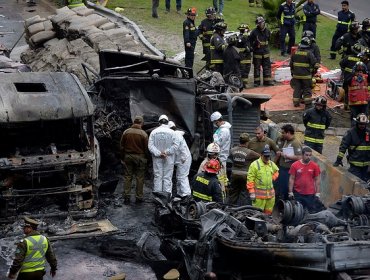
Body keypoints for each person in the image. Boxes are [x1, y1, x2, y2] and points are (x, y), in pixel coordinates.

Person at [148, 115, 180, 196]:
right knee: (167, 177)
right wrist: (166, 152)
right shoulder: (173, 133)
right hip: (169, 158)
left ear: (159, 122)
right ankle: (167, 197)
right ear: (167, 122)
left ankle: (158, 197)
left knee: (158, 176)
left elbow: (150, 146)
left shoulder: (153, 132)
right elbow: (176, 145)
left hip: (157, 158)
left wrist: (159, 153)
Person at [120, 115, 149, 204]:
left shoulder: (126, 132)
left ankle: (126, 197)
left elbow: (121, 146)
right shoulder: (144, 134)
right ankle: (139, 197)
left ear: (134, 122)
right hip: (140, 157)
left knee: (128, 177)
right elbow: (146, 149)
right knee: (139, 178)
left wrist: (122, 157)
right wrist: (147, 158)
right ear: (141, 123)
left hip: (128, 157)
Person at [334, 113, 370, 182]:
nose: (362, 126)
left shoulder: (368, 132)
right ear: (356, 123)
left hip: (366, 166)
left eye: (364, 124)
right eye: (360, 124)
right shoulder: (350, 133)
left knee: (365, 186)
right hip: (355, 166)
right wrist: (339, 159)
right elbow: (343, 147)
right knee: (356, 184)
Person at [228, 133, 259, 205]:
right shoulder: (250, 152)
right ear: (247, 142)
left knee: (233, 193)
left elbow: (229, 158)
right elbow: (259, 157)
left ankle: (230, 208)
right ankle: (242, 210)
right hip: (245, 175)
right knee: (244, 194)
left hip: (234, 174)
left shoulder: (232, 150)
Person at [288, 146, 322, 213]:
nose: (308, 157)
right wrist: (290, 192)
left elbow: (317, 180)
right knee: (298, 212)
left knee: (310, 212)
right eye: (306, 155)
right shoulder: (295, 165)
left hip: (310, 194)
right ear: (302, 155)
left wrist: (318, 193)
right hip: (298, 193)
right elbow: (291, 179)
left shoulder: (315, 166)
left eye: (310, 155)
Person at [247, 147, 279, 215]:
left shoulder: (271, 163)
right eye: (266, 156)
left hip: (270, 196)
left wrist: (272, 178)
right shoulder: (254, 165)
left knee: (268, 213)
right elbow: (250, 180)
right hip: (259, 197)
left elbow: (276, 171)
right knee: (257, 214)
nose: (267, 158)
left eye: (268, 156)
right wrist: (251, 192)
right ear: (261, 155)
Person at [274, 124, 302, 200]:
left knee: (287, 188)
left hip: (289, 170)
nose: (282, 134)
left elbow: (299, 157)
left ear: (288, 133)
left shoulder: (295, 143)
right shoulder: (286, 141)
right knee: (281, 187)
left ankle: (286, 204)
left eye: (283, 133)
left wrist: (286, 156)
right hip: (282, 168)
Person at [290, 36, 318, 108]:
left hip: (296, 75)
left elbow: (291, 64)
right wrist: (314, 71)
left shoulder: (294, 52)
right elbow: (315, 64)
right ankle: (308, 104)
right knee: (307, 89)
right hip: (306, 76)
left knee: (297, 88)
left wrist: (292, 73)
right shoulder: (309, 53)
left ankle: (296, 103)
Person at [168, 121, 192, 198]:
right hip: (182, 159)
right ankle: (180, 193)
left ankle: (186, 194)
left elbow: (181, 149)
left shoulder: (177, 135)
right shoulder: (176, 135)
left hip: (184, 159)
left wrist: (183, 158)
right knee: (179, 176)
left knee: (182, 177)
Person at [210, 111, 231, 191]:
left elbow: (218, 144)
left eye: (215, 123)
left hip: (221, 157)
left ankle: (221, 192)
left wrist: (215, 137)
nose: (215, 124)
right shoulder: (221, 129)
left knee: (221, 177)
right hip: (218, 157)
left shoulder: (224, 131)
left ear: (217, 121)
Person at [249, 16, 273, 86]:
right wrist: (254, 45)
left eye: (261, 23)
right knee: (257, 68)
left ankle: (267, 81)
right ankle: (257, 82)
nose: (259, 25)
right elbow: (250, 41)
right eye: (258, 24)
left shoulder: (268, 31)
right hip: (257, 52)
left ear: (264, 23)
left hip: (265, 52)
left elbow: (269, 40)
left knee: (267, 67)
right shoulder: (254, 32)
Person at [339, 43, 362, 111]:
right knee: (355, 91)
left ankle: (346, 106)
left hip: (347, 77)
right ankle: (353, 106)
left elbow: (341, 63)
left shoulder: (348, 57)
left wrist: (343, 72)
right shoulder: (360, 60)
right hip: (357, 79)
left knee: (346, 91)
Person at [236, 24, 252, 88]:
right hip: (241, 56)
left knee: (247, 70)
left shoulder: (248, 37)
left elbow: (250, 46)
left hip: (247, 56)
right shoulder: (240, 38)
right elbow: (240, 44)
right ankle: (240, 84)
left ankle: (245, 83)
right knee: (241, 70)